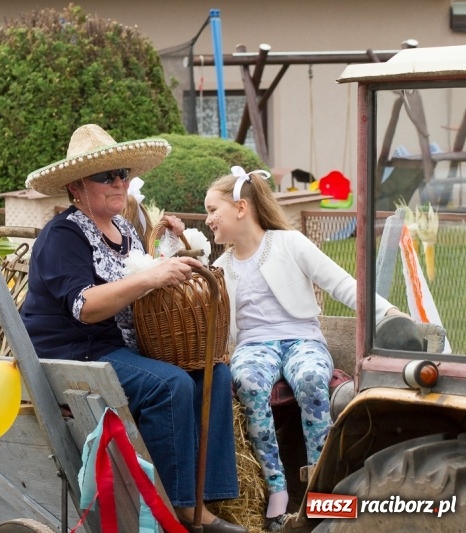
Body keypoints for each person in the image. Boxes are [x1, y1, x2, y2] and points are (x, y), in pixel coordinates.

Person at [21, 124, 247, 533]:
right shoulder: (62, 235)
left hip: (118, 347)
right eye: (107, 176)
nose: (120, 182)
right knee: (170, 385)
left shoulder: (125, 231)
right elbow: (85, 307)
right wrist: (151, 278)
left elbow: (143, 277)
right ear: (76, 186)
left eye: (123, 172)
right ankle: (175, 506)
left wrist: (171, 264)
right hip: (75, 355)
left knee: (216, 371)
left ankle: (204, 497)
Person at [204, 166, 408, 532]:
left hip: (302, 337)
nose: (208, 220)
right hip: (254, 345)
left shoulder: (289, 243)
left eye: (212, 210)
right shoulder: (220, 268)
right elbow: (220, 327)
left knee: (313, 377)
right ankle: (278, 489)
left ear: (240, 207)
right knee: (248, 381)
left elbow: (341, 284)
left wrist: (386, 312)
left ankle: (321, 483)